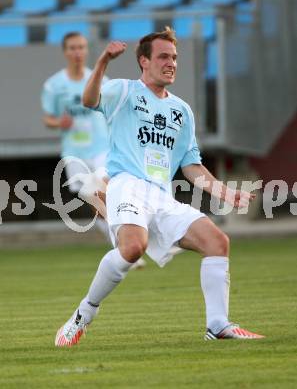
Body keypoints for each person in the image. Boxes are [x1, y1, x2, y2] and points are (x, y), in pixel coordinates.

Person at [55, 27, 264, 347]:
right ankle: (84, 313)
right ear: (144, 61)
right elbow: (88, 99)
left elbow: (191, 165)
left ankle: (218, 325)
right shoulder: (123, 91)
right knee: (132, 248)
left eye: (175, 58)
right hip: (125, 183)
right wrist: (102, 63)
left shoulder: (181, 111)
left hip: (161, 194)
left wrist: (223, 192)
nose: (171, 63)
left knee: (217, 241)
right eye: (164, 57)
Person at [41, 31, 147, 269]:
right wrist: (59, 123)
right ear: (65, 52)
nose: (77, 52)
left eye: (81, 47)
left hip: (102, 149)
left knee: (104, 193)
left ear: (87, 50)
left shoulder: (100, 79)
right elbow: (47, 118)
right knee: (97, 204)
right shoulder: (54, 85)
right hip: (73, 153)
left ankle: (128, 246)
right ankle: (124, 247)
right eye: (72, 48)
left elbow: (114, 110)